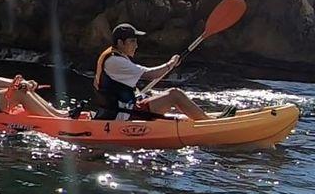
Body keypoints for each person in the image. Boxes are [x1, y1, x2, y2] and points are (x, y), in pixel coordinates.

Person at [93, 23, 233, 121]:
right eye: (132, 41)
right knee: (174, 94)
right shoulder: (115, 61)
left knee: (161, 95)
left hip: (119, 109)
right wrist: (170, 64)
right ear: (120, 43)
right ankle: (208, 123)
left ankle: (206, 118)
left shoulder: (113, 55)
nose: (136, 45)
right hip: (121, 114)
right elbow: (151, 74)